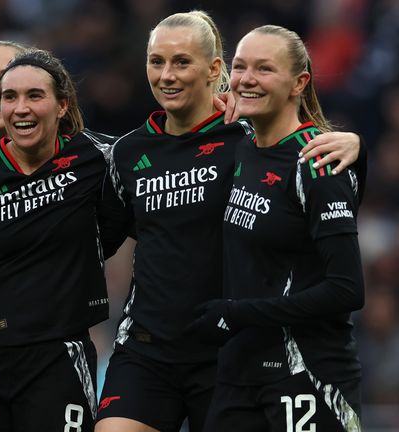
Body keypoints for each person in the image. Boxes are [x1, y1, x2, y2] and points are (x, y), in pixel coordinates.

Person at [96, 11, 363, 432]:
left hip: (227, 351)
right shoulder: (127, 153)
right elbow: (103, 234)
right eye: (156, 61)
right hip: (148, 348)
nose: (167, 75)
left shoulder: (246, 136)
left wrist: (356, 147)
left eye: (181, 62)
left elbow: (307, 167)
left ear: (213, 69)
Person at [0, 48, 125, 432]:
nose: (20, 108)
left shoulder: (99, 157)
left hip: (62, 356)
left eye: (35, 96)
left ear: (61, 105)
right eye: (10, 97)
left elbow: (166, 152)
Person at [187, 24, 364, 431]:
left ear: (299, 82)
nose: (247, 79)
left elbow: (347, 289)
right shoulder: (240, 143)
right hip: (237, 373)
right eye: (240, 67)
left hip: (308, 373)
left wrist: (237, 313)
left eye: (264, 69)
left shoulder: (317, 163)